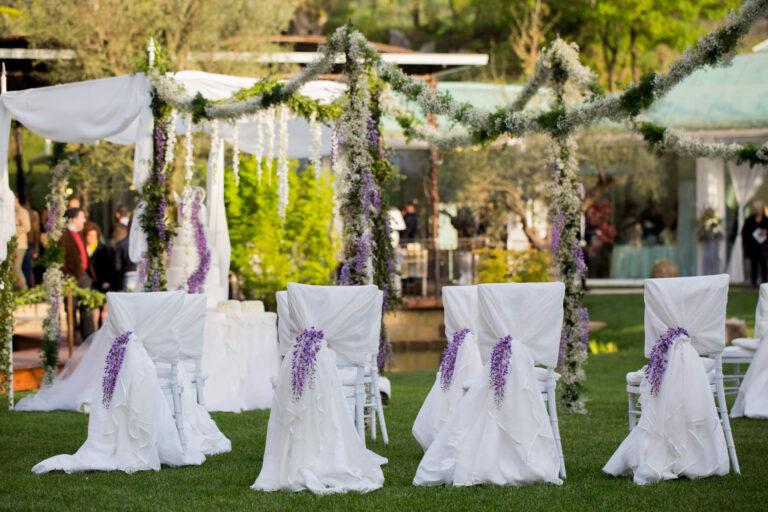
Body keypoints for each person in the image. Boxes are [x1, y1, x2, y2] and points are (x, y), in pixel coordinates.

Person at [60, 208, 94, 341]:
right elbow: (61, 257)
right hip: (71, 275)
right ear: (74, 220)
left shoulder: (80, 233)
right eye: (82, 217)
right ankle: (73, 335)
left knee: (87, 306)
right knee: (71, 306)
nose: (84, 220)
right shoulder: (63, 234)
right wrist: (67, 274)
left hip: (84, 274)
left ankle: (89, 335)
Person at [84, 222, 115, 328]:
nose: (92, 238)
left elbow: (108, 266)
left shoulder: (102, 249)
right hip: (89, 281)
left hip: (100, 281)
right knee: (91, 307)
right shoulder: (83, 249)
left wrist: (106, 281)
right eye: (90, 235)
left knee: (100, 306)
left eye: (94, 236)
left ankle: (98, 327)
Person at [742, 201, 768, 288]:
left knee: (764, 265)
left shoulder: (766, 220)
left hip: (763, 247)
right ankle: (753, 283)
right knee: (754, 265)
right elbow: (744, 232)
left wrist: (765, 232)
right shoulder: (749, 220)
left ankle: (764, 283)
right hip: (753, 247)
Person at [13, 195, 30, 289]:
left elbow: (27, 227)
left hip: (19, 245)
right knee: (13, 269)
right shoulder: (8, 210)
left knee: (17, 269)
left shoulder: (21, 211)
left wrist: (11, 230)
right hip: (13, 244)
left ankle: (24, 289)